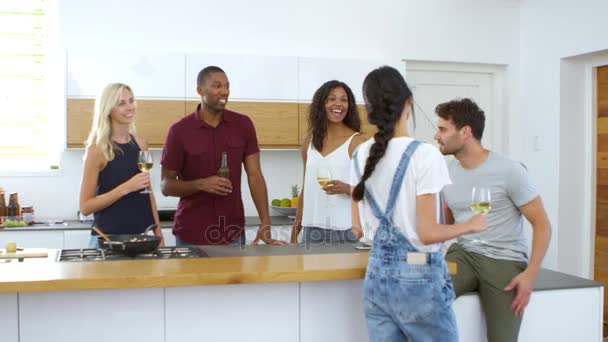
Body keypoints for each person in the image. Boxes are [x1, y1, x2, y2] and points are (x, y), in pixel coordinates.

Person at [351, 66, 486, 341]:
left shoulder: (359, 154)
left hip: (376, 276)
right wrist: (470, 226)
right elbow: (428, 233)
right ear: (408, 102)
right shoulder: (425, 155)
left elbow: (357, 229)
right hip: (418, 274)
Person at [434, 98, 552, 342]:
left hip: (504, 261)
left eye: (443, 129)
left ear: (465, 132)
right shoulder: (446, 172)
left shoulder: (510, 170)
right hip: (463, 255)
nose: (436, 136)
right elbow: (446, 226)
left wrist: (530, 274)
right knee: (423, 299)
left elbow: (542, 225)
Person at [161, 66, 286, 245]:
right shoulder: (179, 131)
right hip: (191, 234)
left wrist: (265, 221)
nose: (224, 92)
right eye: (217, 86)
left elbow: (255, 175)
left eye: (227, 86)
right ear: (200, 90)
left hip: (233, 233)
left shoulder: (243, 125)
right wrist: (201, 184)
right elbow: (166, 185)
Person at [79, 83, 163, 248]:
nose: (130, 107)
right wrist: (126, 187)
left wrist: (158, 235)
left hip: (141, 240)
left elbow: (149, 195)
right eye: (121, 103)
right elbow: (85, 207)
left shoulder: (141, 144)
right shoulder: (97, 149)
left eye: (131, 101)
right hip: (107, 240)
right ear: (109, 109)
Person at [290, 80, 366, 245]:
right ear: (321, 104)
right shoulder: (309, 141)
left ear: (349, 106)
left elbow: (373, 190)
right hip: (311, 230)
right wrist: (296, 227)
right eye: (331, 99)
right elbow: (306, 186)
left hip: (345, 230)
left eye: (343, 99)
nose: (338, 104)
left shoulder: (358, 141)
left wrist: (347, 188)